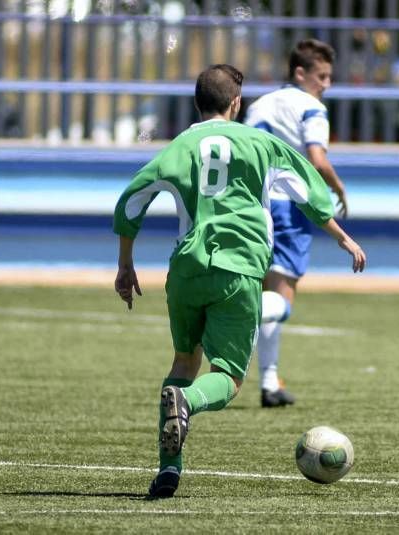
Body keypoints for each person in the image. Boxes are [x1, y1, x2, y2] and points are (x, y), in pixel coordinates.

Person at [113, 64, 366, 498]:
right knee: (227, 377)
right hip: (239, 268)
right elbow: (309, 190)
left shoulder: (179, 146)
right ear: (236, 103)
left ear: (197, 103)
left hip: (187, 269)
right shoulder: (260, 143)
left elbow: (133, 200)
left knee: (182, 365)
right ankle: (188, 404)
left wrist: (125, 264)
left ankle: (169, 470)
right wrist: (342, 236)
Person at [244, 39, 348, 408]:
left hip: (250, 204)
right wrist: (337, 187)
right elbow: (317, 159)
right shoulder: (311, 107)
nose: (327, 85)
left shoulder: (258, 105)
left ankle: (268, 381)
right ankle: (237, 321)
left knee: (265, 286)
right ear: (300, 73)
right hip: (288, 204)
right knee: (281, 296)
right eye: (322, 76)